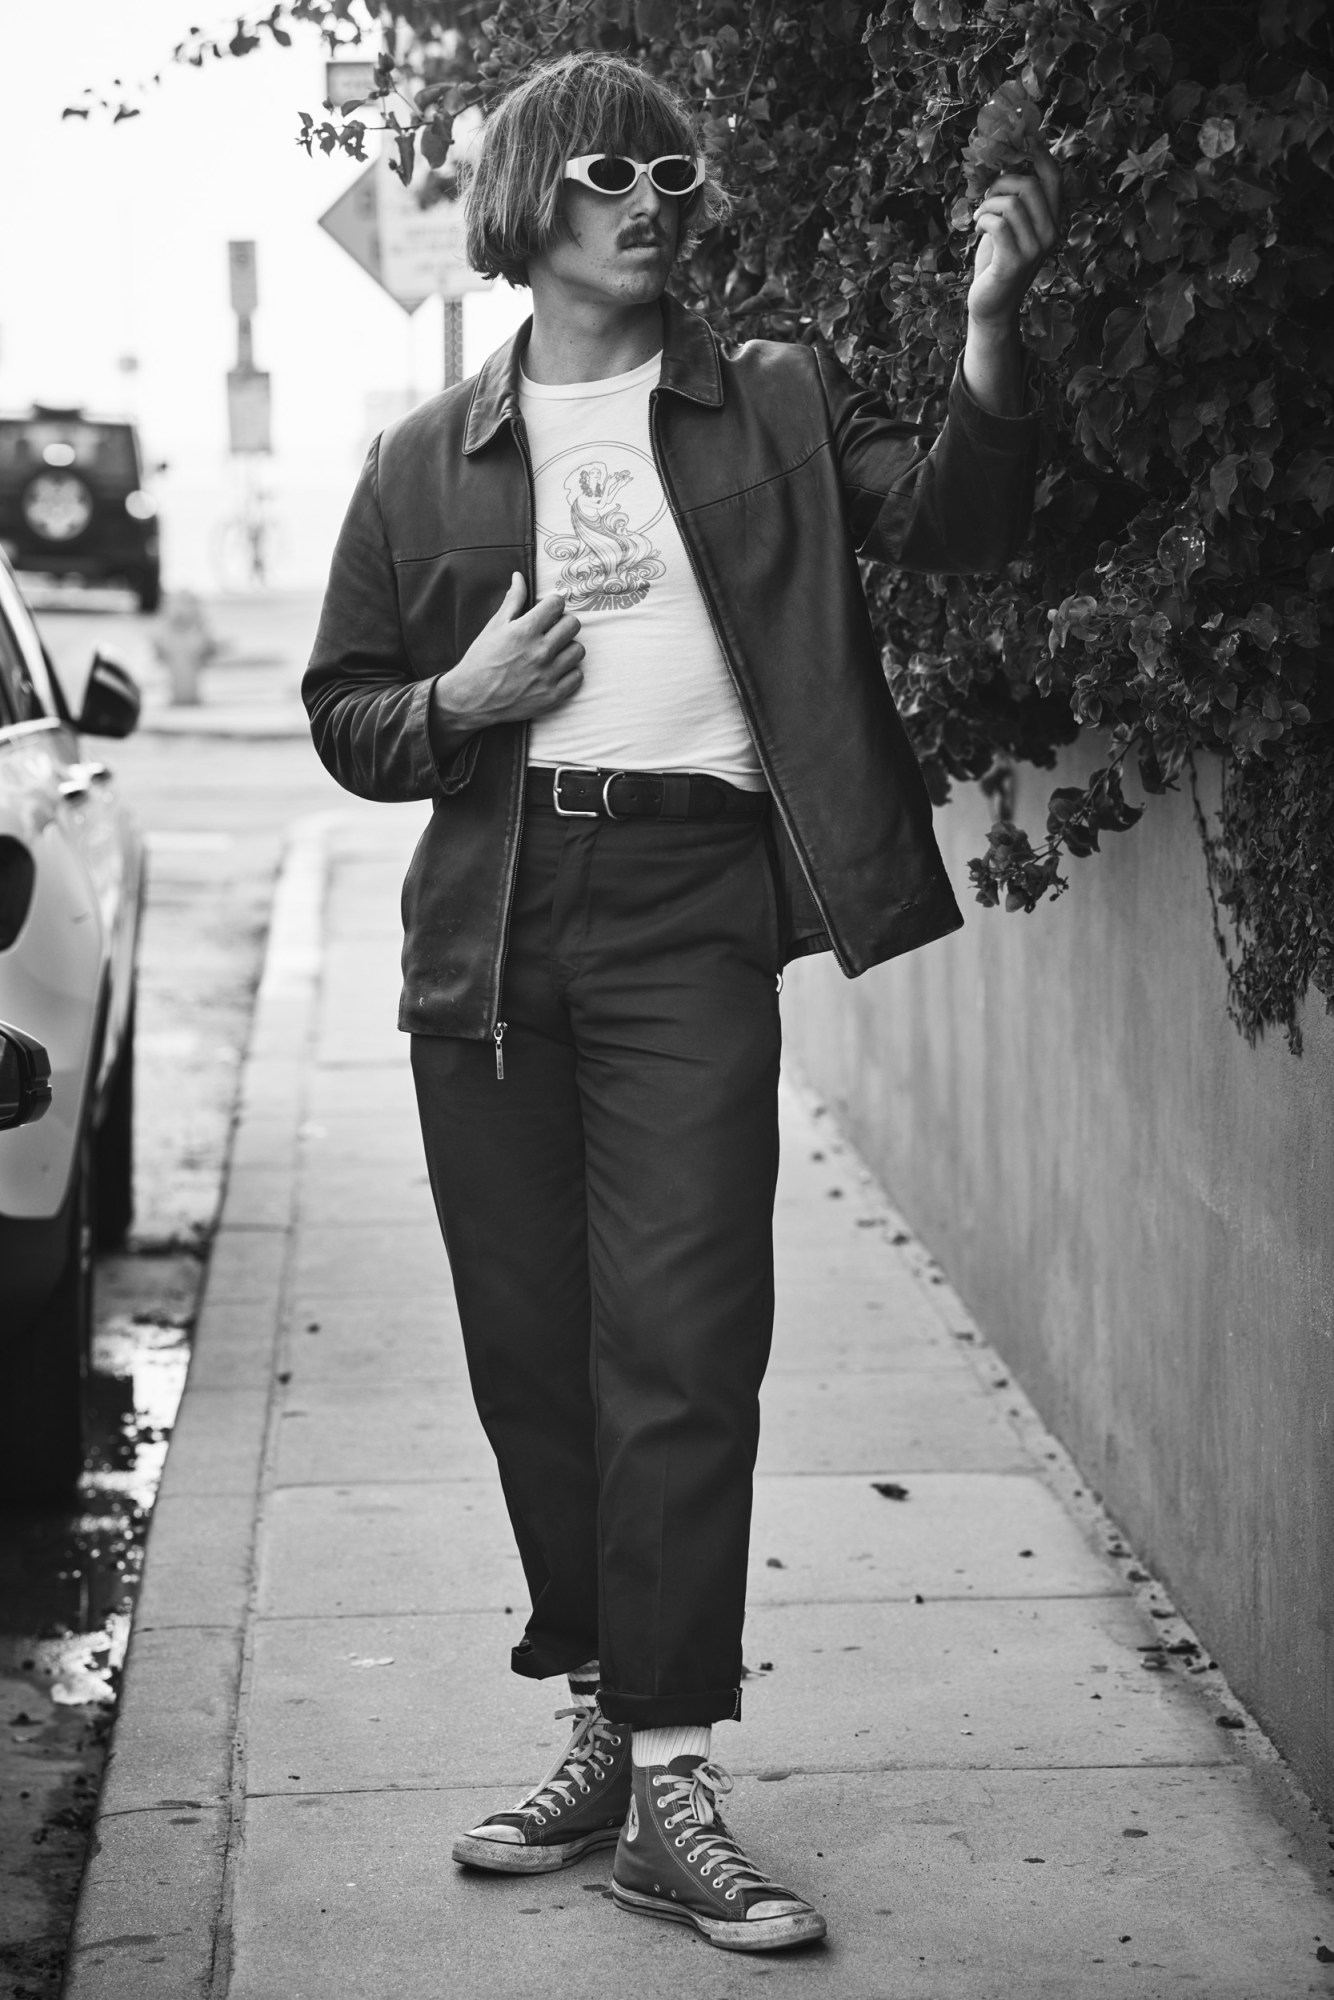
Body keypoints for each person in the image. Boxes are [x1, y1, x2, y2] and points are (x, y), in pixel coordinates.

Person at [304, 49, 1060, 1955]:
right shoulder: (419, 463)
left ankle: (672, 1772)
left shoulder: (771, 402)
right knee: (533, 1357)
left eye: (677, 173)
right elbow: (348, 715)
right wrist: (457, 705)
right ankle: (606, 1719)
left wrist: (985, 335)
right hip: (489, 927)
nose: (654, 200)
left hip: (690, 907)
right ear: (530, 201)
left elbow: (956, 523)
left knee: (685, 1343)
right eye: (613, 172)